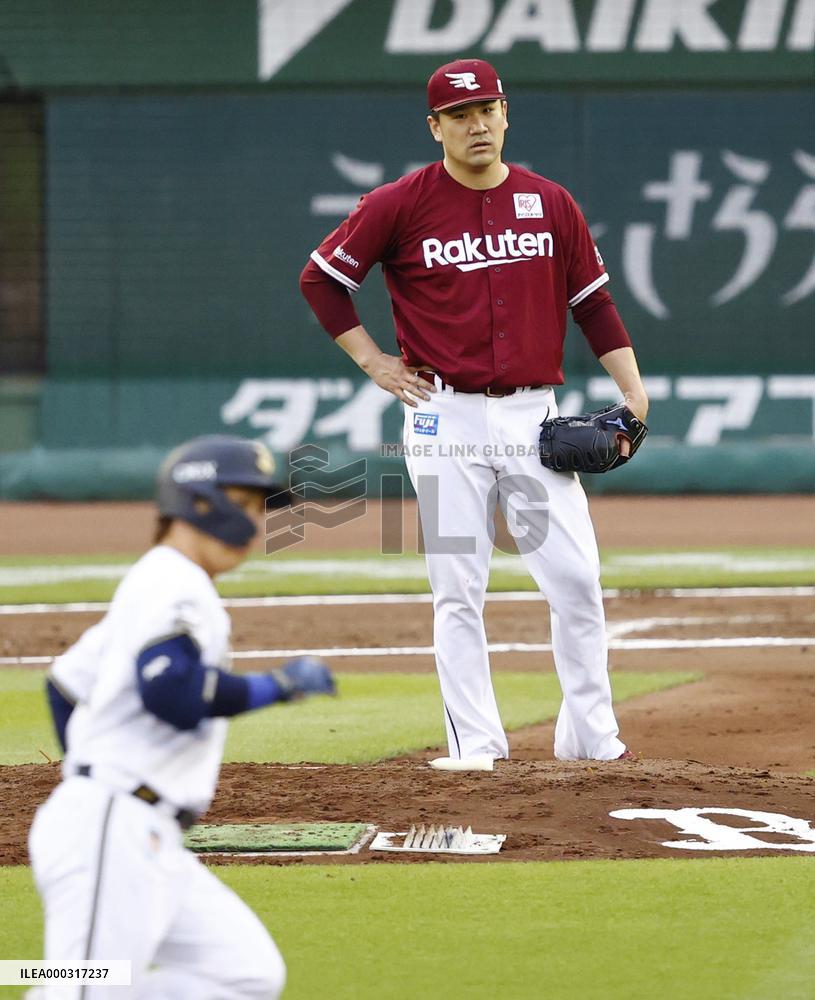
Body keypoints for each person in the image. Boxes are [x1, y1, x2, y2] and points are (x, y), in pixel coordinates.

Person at [300, 58, 648, 765]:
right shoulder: (398, 203)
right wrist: (373, 361)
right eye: (458, 115)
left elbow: (593, 305)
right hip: (442, 415)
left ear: (505, 113)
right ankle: (476, 747)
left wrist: (633, 394)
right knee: (458, 587)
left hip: (532, 418)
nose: (476, 123)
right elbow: (322, 280)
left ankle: (590, 738)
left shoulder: (549, 203)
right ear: (435, 128)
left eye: (486, 109)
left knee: (577, 580)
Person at [28, 435, 336, 999]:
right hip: (112, 826)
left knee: (245, 975)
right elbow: (171, 691)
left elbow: (65, 683)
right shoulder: (174, 582)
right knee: (84, 989)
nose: (255, 525)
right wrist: (278, 686)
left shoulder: (154, 583)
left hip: (137, 831)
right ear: (198, 502)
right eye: (244, 505)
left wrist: (90, 773)